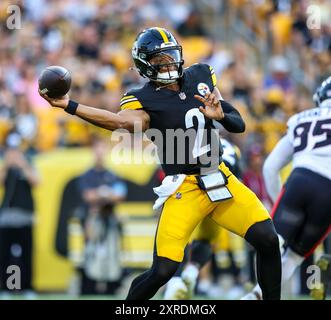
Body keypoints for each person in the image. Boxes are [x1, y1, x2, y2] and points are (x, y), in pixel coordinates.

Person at [39, 27, 281, 300]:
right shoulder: (143, 97)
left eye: (169, 56)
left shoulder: (200, 75)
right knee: (163, 270)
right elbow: (120, 122)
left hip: (220, 176)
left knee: (268, 239)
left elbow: (239, 124)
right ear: (145, 65)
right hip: (185, 188)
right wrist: (71, 105)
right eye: (158, 60)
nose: (167, 63)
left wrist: (221, 113)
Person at [242, 76, 331, 300]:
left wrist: (278, 201)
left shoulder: (301, 119)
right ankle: (258, 295)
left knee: (273, 244)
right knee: (294, 256)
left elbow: (271, 167)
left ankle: (256, 295)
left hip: (300, 181)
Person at [163, 138, 243, 299]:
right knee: (206, 239)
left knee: (180, 236)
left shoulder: (189, 142)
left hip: (195, 188)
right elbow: (238, 180)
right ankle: (191, 272)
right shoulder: (232, 147)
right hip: (221, 192)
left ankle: (176, 280)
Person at [78, 137, 127, 295]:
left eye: (102, 149)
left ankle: (110, 288)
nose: (99, 153)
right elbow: (88, 196)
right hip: (94, 220)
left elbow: (120, 195)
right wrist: (104, 193)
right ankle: (90, 288)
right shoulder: (87, 175)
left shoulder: (112, 174)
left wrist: (101, 195)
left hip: (109, 219)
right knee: (92, 253)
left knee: (111, 254)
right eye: (97, 149)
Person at [0, 141, 39, 296]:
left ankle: (27, 288)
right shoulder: (6, 169)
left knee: (26, 256)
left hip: (25, 218)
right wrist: (6, 165)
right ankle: (6, 288)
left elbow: (37, 182)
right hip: (6, 219)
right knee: (5, 256)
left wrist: (23, 165)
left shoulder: (28, 166)